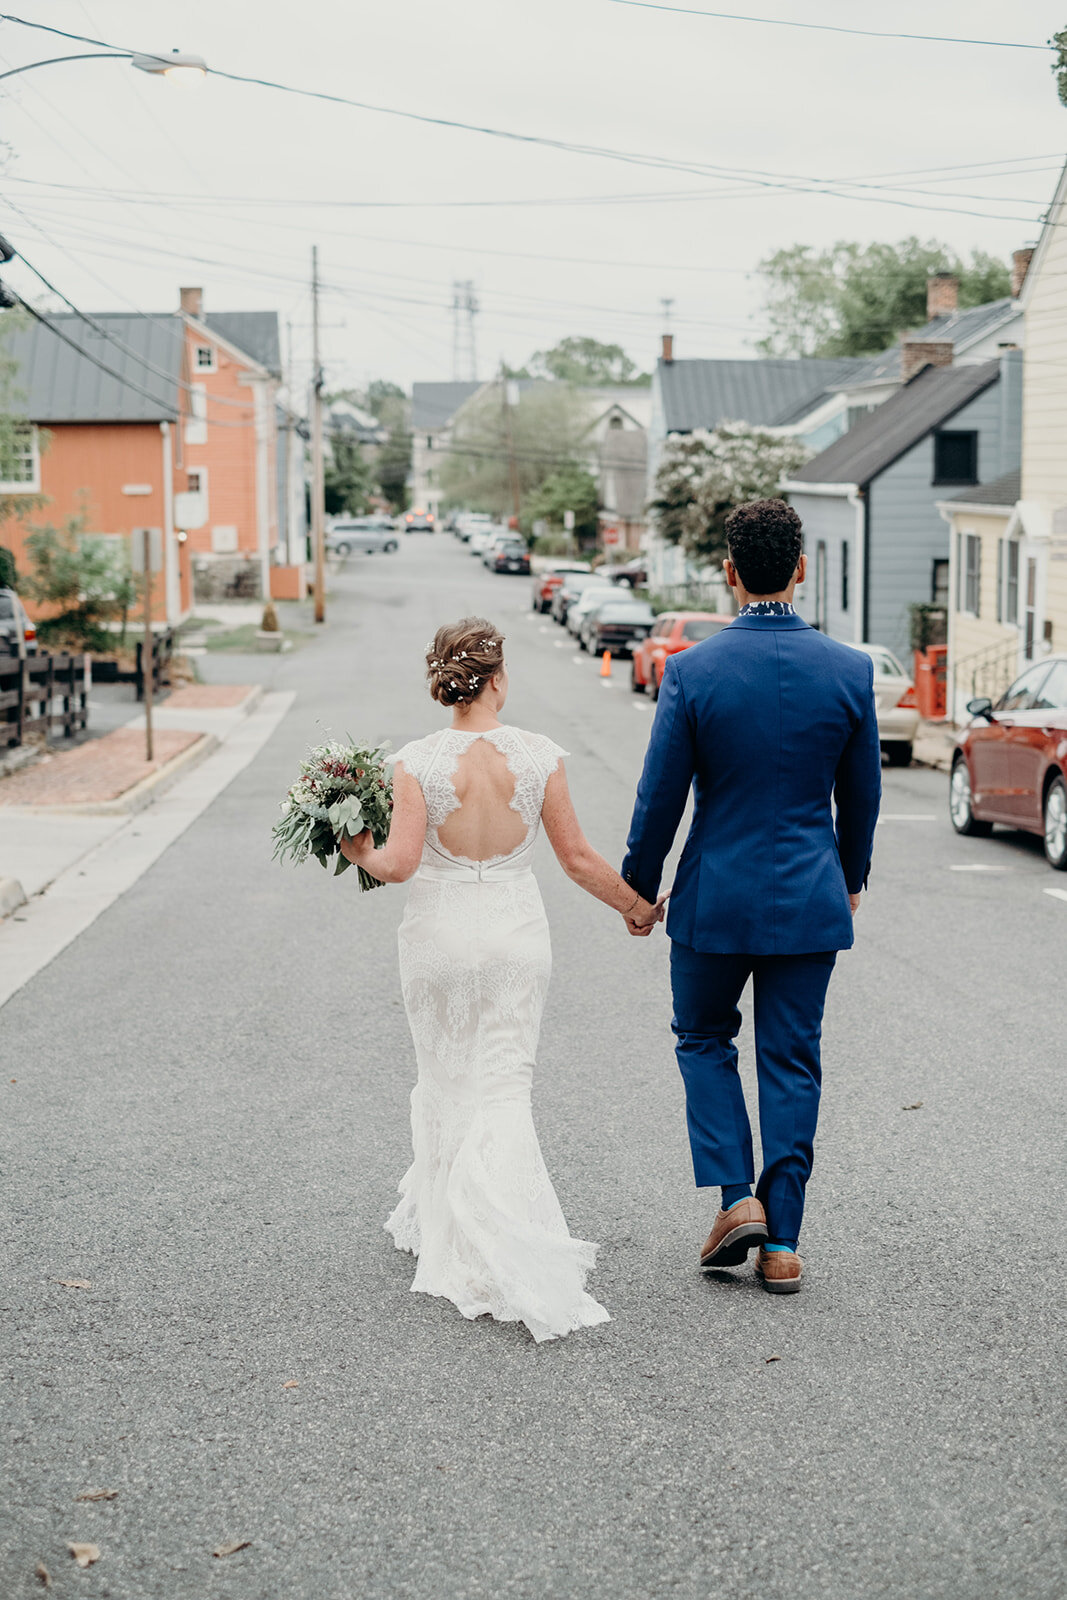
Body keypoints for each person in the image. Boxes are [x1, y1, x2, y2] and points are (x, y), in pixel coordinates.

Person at [340, 617, 662, 1342]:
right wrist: (636, 907)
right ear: (496, 679)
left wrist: (356, 847)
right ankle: (512, 1231)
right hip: (517, 936)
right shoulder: (538, 756)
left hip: (439, 938)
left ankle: (459, 1230)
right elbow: (577, 859)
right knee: (504, 1084)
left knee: (447, 1075)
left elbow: (396, 865)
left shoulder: (415, 762)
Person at [621, 499, 881, 1294]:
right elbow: (860, 798)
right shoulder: (849, 670)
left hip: (712, 902)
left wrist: (638, 886)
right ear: (800, 570)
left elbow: (658, 796)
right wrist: (850, 877)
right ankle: (783, 1244)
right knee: (792, 1061)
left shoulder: (692, 670)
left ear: (729, 573)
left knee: (703, 1039)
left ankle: (737, 1198)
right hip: (808, 897)